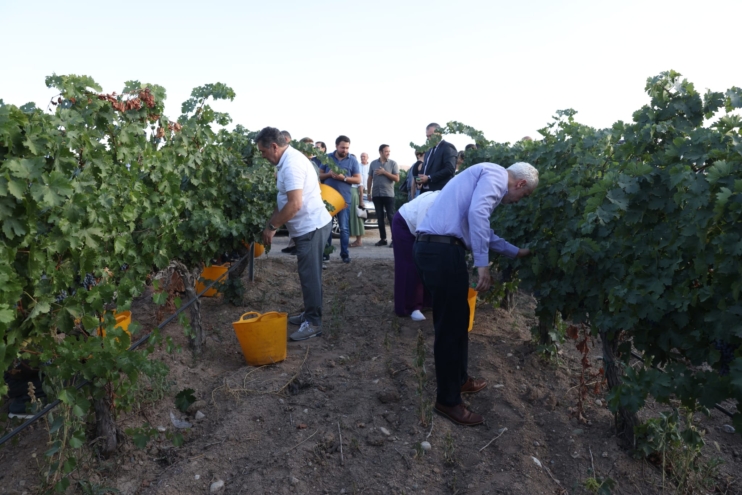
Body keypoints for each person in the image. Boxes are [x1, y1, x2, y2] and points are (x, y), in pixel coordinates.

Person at [414, 162, 539, 425]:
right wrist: (483, 265)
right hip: (442, 252)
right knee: (449, 328)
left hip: (441, 250)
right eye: (524, 196)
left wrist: (516, 251)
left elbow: (480, 228)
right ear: (520, 184)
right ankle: (447, 402)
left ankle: (459, 380)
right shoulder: (495, 175)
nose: (518, 202)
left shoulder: (482, 180)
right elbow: (479, 215)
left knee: (459, 322)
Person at [258, 127, 332, 341]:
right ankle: (310, 313)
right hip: (309, 227)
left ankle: (314, 323)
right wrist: (272, 220)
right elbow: (284, 199)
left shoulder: (291, 165)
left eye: (263, 152)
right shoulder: (287, 161)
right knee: (310, 274)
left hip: (311, 228)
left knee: (310, 276)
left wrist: (272, 228)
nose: (263, 156)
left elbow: (294, 204)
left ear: (274, 146)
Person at [392, 191, 439, 321]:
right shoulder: (431, 202)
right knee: (411, 264)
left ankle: (426, 302)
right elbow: (422, 232)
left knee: (429, 263)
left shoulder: (452, 204)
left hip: (417, 228)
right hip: (404, 225)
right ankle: (409, 307)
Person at [318, 136, 362, 263]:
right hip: (328, 200)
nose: (345, 150)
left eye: (347, 148)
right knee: (327, 227)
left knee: (344, 228)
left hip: (344, 200)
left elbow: (358, 179)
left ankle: (344, 254)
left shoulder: (352, 160)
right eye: (343, 147)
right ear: (336, 146)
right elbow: (319, 175)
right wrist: (329, 174)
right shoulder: (327, 158)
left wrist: (343, 178)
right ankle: (326, 254)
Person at [367, 144, 399, 247]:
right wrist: (368, 192)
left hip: (388, 194)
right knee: (379, 217)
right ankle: (383, 239)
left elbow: (397, 179)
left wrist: (384, 172)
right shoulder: (373, 163)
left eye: (389, 151)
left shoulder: (393, 163)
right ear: (380, 152)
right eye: (386, 151)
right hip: (376, 194)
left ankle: (395, 240)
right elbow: (370, 179)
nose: (388, 153)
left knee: (391, 217)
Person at [418, 123, 457, 192]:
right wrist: (419, 180)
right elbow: (425, 168)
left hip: (440, 191)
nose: (429, 139)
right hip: (425, 191)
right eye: (427, 136)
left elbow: (450, 169)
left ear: (440, 133)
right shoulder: (428, 150)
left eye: (431, 136)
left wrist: (429, 177)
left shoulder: (447, 147)